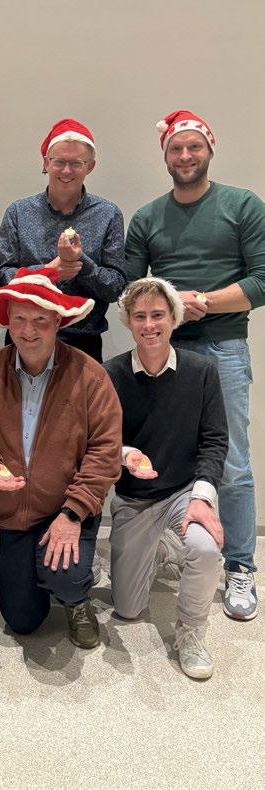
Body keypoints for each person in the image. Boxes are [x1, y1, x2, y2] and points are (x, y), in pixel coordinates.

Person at [125, 109, 265, 621]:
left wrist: (199, 301)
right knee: (162, 450)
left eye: (194, 147)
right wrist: (170, 306)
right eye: (176, 149)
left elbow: (262, 281)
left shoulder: (242, 205)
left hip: (224, 347)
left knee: (232, 461)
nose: (185, 156)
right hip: (164, 351)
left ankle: (241, 566)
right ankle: (171, 540)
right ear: (165, 156)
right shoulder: (147, 218)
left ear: (210, 150)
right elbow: (131, 288)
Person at [0, 268, 122, 648]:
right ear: (8, 322)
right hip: (8, 513)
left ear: (58, 322)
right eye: (20, 319)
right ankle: (37, 571)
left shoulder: (90, 376)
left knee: (64, 576)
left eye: (40, 320)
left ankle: (76, 599)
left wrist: (73, 513)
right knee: (22, 621)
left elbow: (106, 451)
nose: (28, 330)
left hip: (64, 508)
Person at [105, 277, 227, 679]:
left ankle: (190, 631)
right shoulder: (111, 374)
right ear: (128, 322)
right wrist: (126, 455)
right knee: (128, 609)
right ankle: (160, 550)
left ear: (174, 318)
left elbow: (215, 440)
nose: (149, 325)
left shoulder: (202, 371)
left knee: (205, 548)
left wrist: (202, 498)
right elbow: (99, 440)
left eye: (158, 314)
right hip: (134, 498)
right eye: (139, 316)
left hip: (183, 492)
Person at [0, 118, 126, 362]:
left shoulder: (108, 214)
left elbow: (115, 288)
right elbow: (3, 277)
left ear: (90, 166)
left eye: (76, 163)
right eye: (59, 162)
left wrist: (81, 264)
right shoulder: (19, 212)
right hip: (25, 336)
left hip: (83, 340)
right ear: (46, 163)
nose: (66, 171)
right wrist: (48, 272)